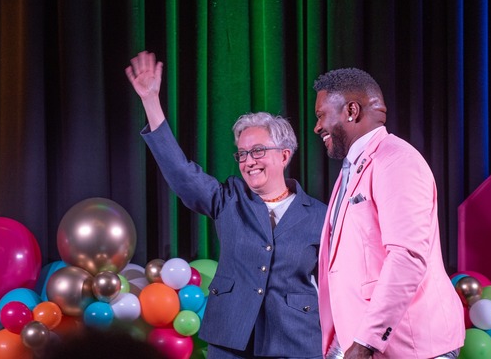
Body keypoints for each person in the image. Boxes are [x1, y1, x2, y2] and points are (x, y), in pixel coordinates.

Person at [125, 51, 327, 359]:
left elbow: (336, 283)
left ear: (284, 155)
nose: (248, 161)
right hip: (232, 340)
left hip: (296, 341)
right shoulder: (229, 199)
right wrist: (151, 101)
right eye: (242, 154)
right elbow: (180, 171)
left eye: (258, 151)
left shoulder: (321, 215)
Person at [312, 68, 465, 358]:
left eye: (321, 115)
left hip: (411, 346)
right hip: (366, 343)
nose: (317, 127)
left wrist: (367, 340)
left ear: (351, 111)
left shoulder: (397, 160)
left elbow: (407, 257)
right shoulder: (355, 166)